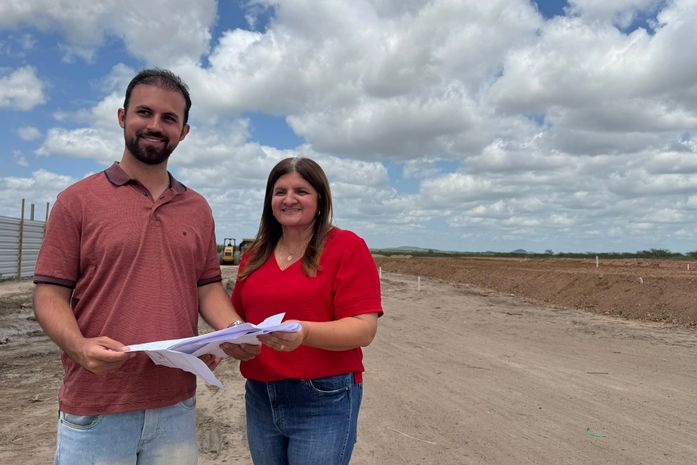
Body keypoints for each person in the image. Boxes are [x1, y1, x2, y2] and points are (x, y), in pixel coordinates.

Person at [33, 68, 259, 465]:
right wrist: (79, 347)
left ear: (184, 131)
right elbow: (50, 295)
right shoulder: (77, 201)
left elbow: (207, 288)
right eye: (144, 112)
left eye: (169, 118)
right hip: (96, 407)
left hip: (175, 405)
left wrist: (235, 331)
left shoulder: (198, 209)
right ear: (122, 117)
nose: (155, 126)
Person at [229, 157, 383, 465]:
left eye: (301, 191)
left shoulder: (347, 247)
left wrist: (306, 332)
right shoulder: (255, 254)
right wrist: (229, 342)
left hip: (324, 397)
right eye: (279, 191)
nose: (288, 199)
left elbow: (363, 329)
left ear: (320, 199)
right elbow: (237, 320)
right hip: (260, 394)